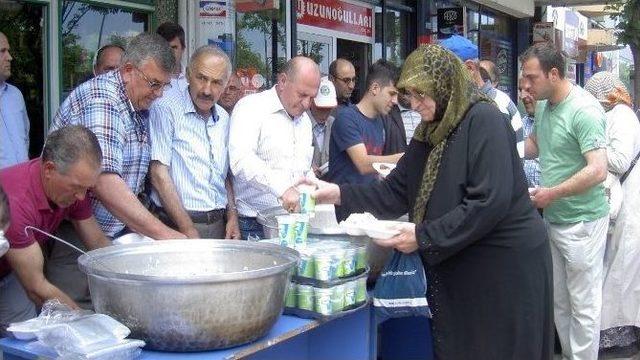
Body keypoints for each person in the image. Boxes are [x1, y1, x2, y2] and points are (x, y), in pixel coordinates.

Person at [306, 44, 553, 359]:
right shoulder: (429, 131)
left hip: (504, 267)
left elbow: (487, 203)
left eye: (422, 95)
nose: (415, 105)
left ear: (445, 86)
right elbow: (393, 191)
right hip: (464, 261)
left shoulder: (484, 120)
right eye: (410, 96)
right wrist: (335, 193)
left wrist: (422, 236)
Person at [521, 42, 609, 360]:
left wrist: (551, 193)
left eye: (531, 77)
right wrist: (502, 150)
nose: (526, 86)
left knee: (583, 305)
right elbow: (535, 144)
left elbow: (598, 169)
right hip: (554, 219)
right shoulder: (545, 105)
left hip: (583, 221)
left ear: (554, 74)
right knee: (560, 301)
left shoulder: (584, 110)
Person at [50, 32, 183, 240]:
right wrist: (167, 235)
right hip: (77, 232)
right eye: (154, 83)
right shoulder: (103, 99)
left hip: (118, 230)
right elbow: (105, 182)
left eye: (164, 85)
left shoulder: (136, 99)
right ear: (128, 70)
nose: (159, 94)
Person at [0, 126, 110, 333]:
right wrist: (85, 325)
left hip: (10, 268)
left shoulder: (75, 186)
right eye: (77, 188)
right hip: (17, 269)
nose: (81, 196)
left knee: (23, 335)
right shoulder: (16, 204)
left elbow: (97, 243)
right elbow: (36, 287)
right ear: (49, 169)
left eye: (87, 189)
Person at [148, 45, 240, 240]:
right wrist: (188, 230)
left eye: (216, 82)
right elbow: (158, 174)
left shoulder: (223, 118)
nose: (207, 90)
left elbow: (223, 174)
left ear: (225, 84)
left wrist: (232, 216)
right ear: (188, 75)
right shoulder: (166, 108)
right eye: (201, 78)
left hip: (218, 225)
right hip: (176, 225)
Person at [229, 56, 320, 240]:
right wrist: (283, 188)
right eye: (302, 95)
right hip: (254, 222)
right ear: (283, 81)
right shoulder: (251, 107)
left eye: (312, 97)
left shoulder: (304, 122)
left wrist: (313, 186)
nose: (306, 104)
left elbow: (300, 168)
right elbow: (241, 160)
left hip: (294, 221)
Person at [584, 72, 640, 356]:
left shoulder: (622, 116)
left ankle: (619, 335)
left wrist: (591, 154)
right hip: (624, 199)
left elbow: (619, 159)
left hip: (630, 200)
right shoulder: (616, 114)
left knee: (622, 266)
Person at [440, 35, 524, 158]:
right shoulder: (463, 103)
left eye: (445, 73)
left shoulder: (497, 106)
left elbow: (499, 166)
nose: (441, 81)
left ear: (470, 68)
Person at [327, 59, 404, 186]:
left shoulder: (380, 121)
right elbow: (363, 164)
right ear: (374, 88)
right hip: (346, 202)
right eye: (391, 93)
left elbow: (375, 170)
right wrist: (404, 158)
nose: (395, 101)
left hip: (369, 200)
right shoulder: (346, 118)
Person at [0, 31, 30, 169]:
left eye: (8, 51)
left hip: (21, 184)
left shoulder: (15, 95)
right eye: (2, 51)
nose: (10, 57)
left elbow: (25, 138)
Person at [309, 77, 337, 178]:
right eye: (321, 108)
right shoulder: (300, 123)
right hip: (305, 186)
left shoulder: (334, 124)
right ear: (311, 101)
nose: (325, 113)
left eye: (328, 108)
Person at [519, 75, 542, 187]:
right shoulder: (519, 123)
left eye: (528, 90)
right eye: (520, 90)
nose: (522, 96)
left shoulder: (556, 122)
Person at [156, 22, 187, 90]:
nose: (169, 52)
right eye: (164, 47)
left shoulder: (192, 79)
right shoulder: (150, 82)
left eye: (173, 47)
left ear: (183, 49)